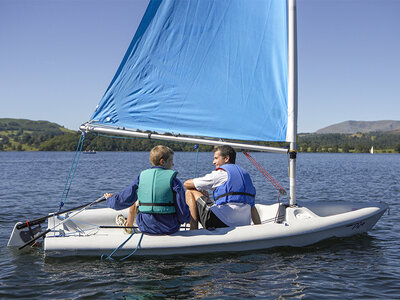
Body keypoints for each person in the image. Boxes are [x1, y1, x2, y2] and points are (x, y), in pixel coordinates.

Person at [104, 145, 190, 234]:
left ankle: (128, 224)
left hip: (145, 227)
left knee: (136, 202)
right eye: (171, 161)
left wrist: (110, 199)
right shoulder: (174, 181)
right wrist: (188, 218)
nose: (173, 164)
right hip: (169, 227)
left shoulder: (141, 177)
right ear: (162, 161)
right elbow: (182, 211)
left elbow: (124, 199)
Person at [184, 145, 261, 230]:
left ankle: (193, 230)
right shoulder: (245, 174)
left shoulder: (221, 174)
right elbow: (252, 207)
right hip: (243, 223)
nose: (213, 162)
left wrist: (201, 189)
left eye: (216, 158)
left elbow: (187, 184)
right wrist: (259, 228)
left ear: (226, 159)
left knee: (190, 191)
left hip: (222, 222)